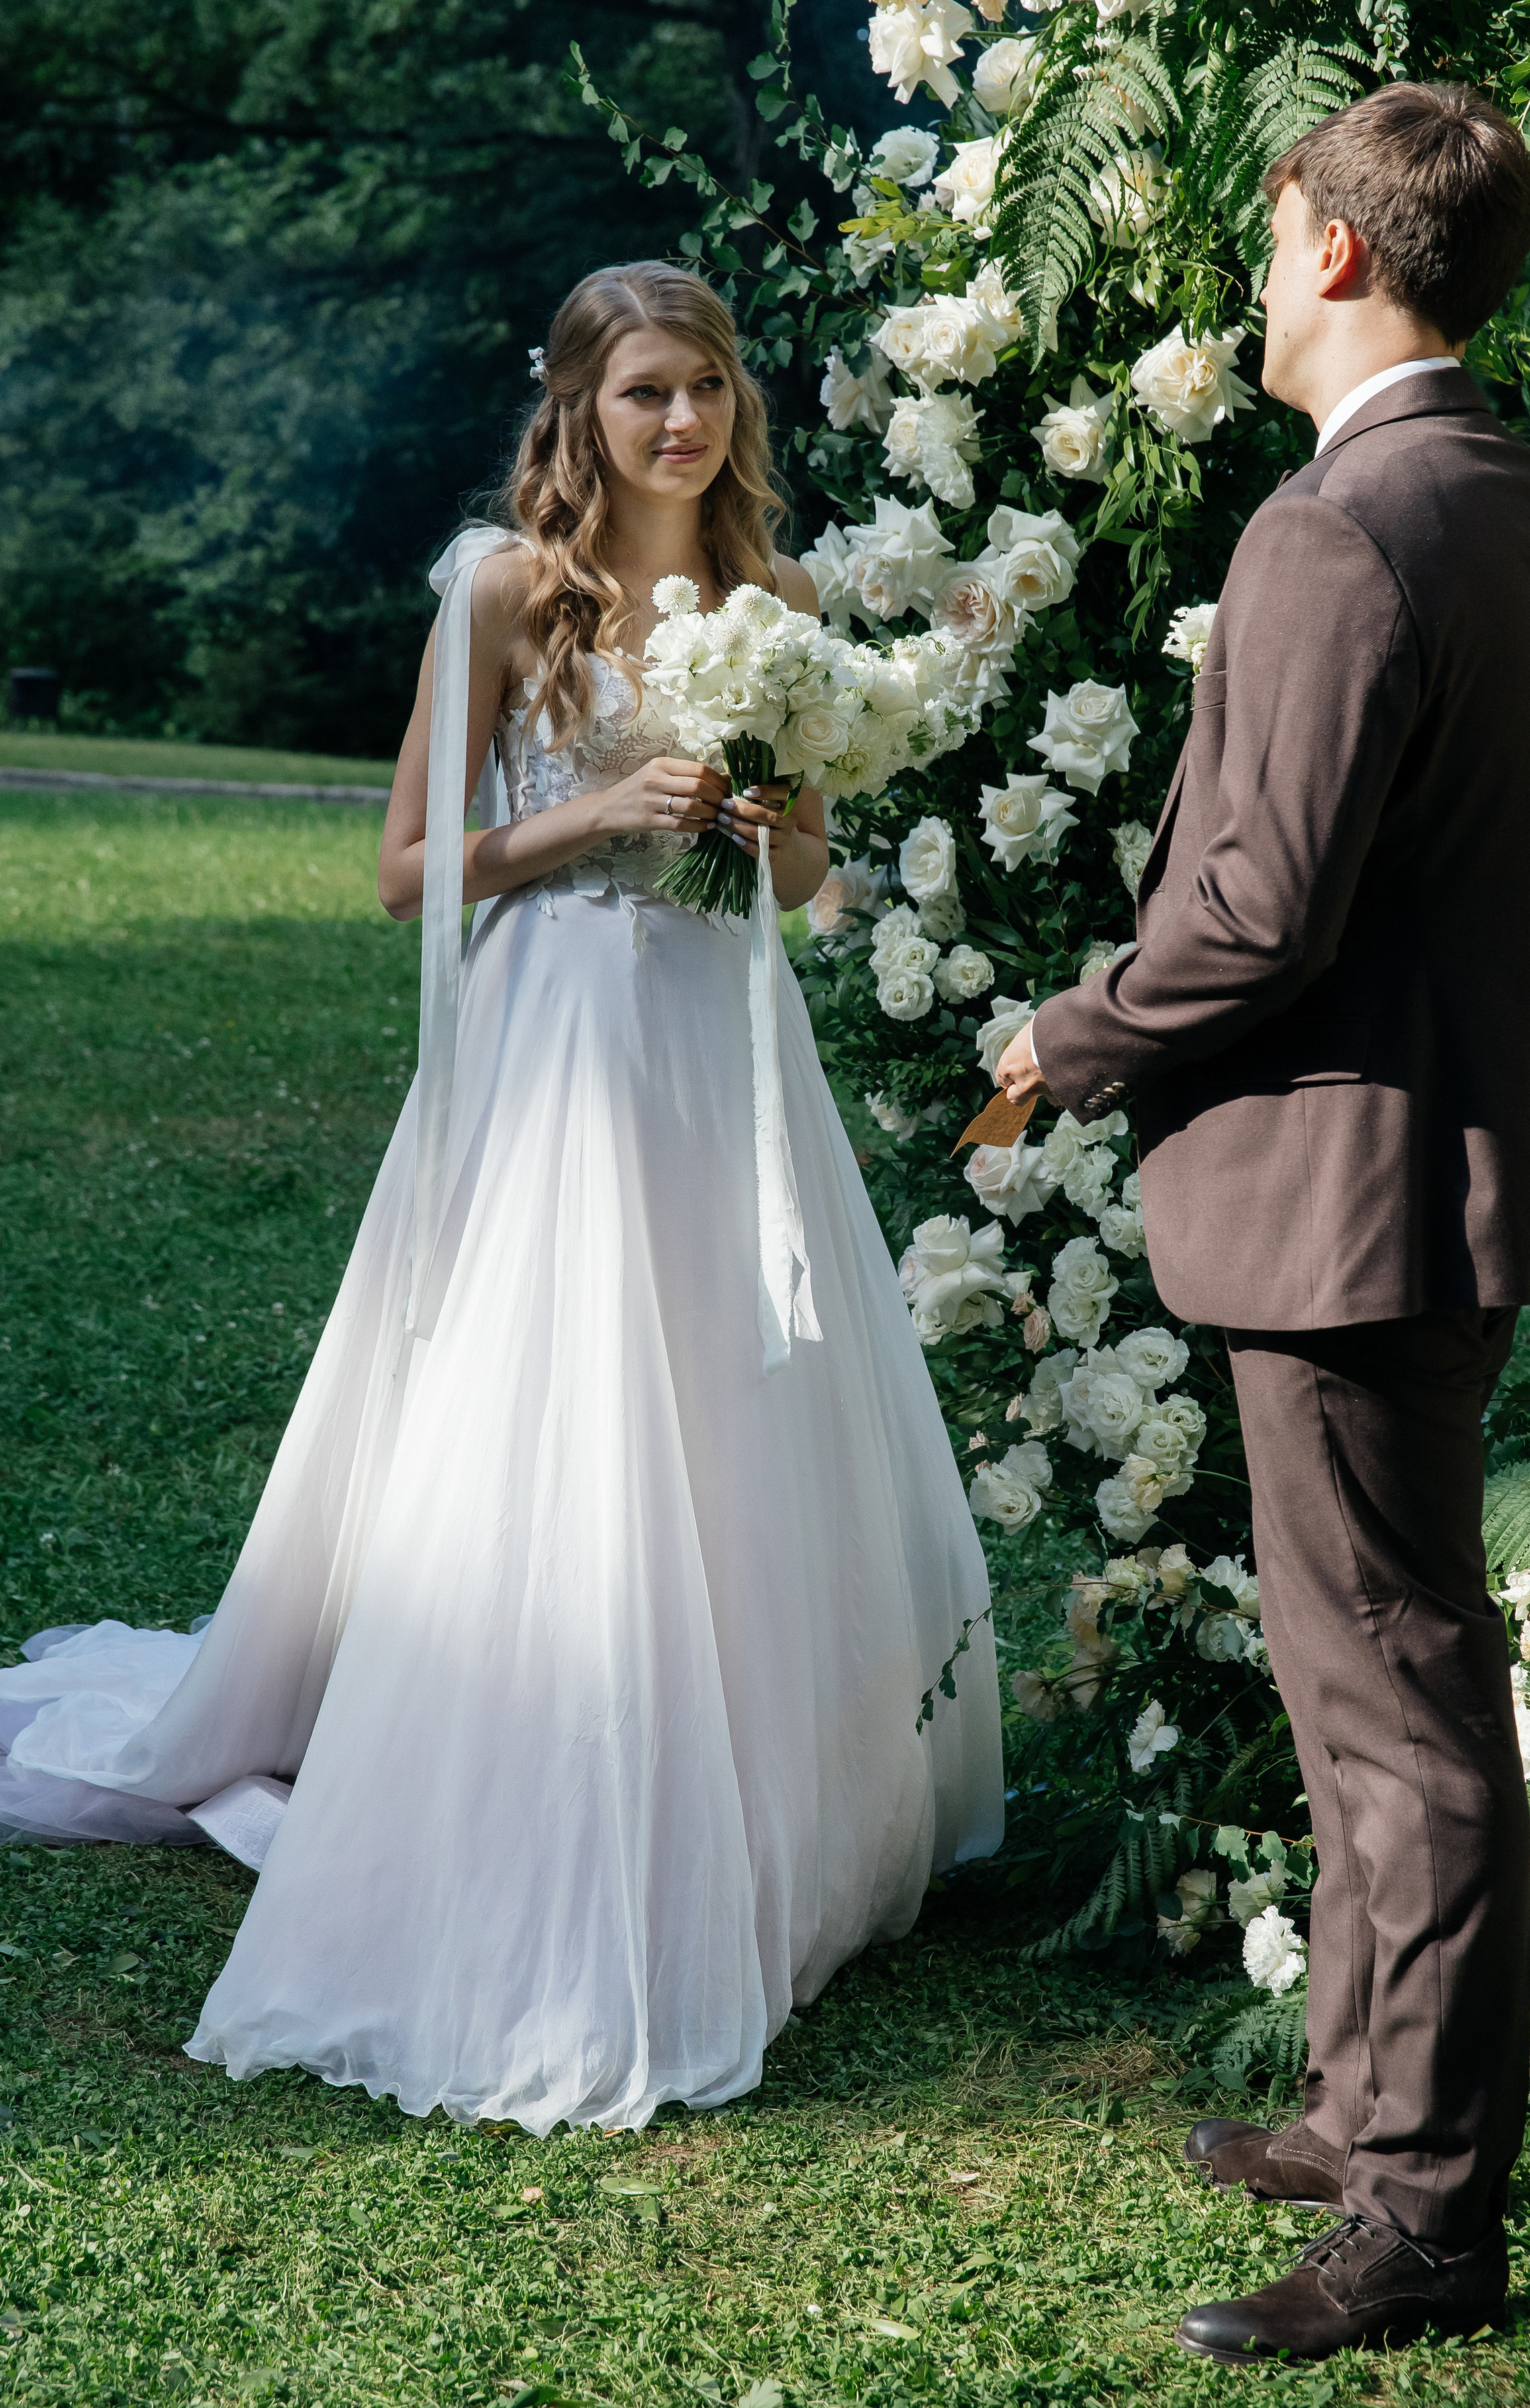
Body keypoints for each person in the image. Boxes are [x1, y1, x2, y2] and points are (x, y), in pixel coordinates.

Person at [0, 260, 1003, 2132]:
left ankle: (764, 1797)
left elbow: (804, 892)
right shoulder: (506, 591)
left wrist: (781, 802)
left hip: (721, 1060)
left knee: (729, 1394)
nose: (681, 424)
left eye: (704, 388)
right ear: (577, 411)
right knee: (574, 1408)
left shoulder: (776, 603)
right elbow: (405, 870)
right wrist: (590, 821)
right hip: (563, 1056)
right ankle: (548, 1761)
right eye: (642, 395)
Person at [999, 85, 1530, 2362]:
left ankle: (1429, 2221)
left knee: (1398, 1711)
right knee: (1370, 1671)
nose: (1261, 287)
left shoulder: (1339, 530)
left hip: (1347, 1196)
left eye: (1275, 245)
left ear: (1342, 256)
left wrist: (1060, 1044)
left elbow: (1253, 914)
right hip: (1453, 1182)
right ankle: (1374, 2111)